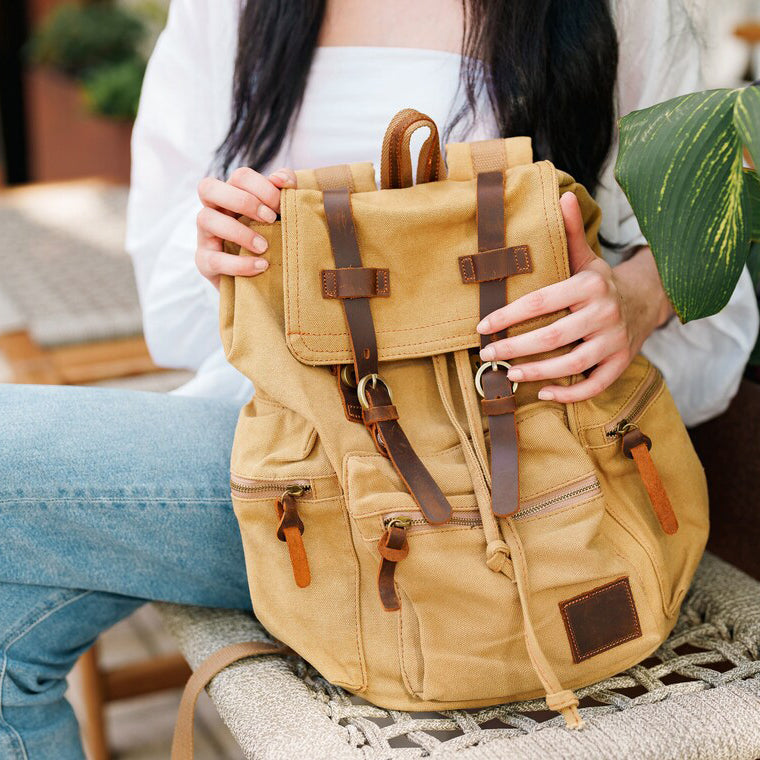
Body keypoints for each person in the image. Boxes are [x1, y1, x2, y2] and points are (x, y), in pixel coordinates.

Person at [0, 1, 756, 757]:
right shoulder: (228, 9)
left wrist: (640, 296)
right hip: (296, 447)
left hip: (534, 466)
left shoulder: (623, 9)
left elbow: (715, 289)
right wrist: (229, 264)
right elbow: (174, 316)